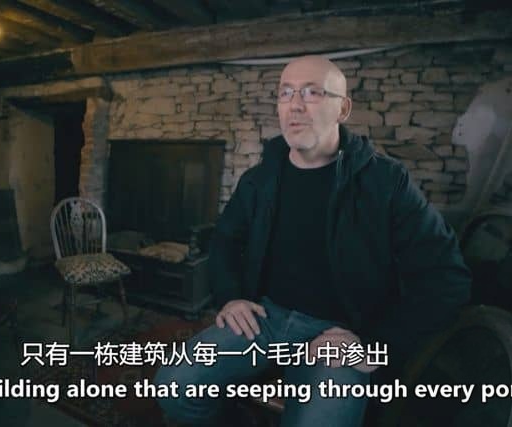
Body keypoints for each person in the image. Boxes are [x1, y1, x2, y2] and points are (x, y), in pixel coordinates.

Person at [153, 55, 472, 426]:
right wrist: (231, 296)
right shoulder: (258, 180)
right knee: (174, 387)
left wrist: (375, 343)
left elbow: (448, 278)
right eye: (285, 93)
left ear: (343, 109)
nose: (295, 105)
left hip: (342, 332)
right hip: (264, 318)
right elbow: (224, 240)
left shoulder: (387, 182)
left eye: (312, 93)